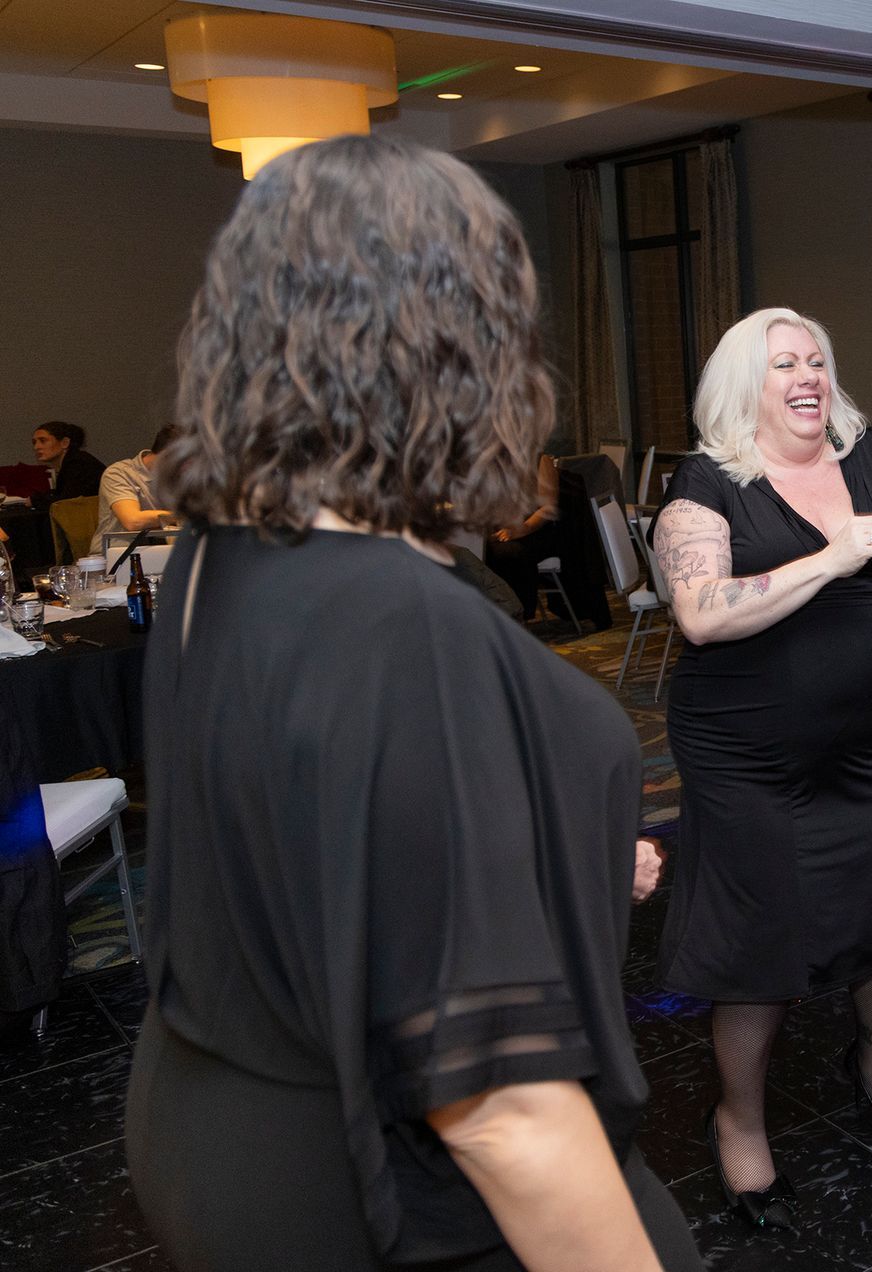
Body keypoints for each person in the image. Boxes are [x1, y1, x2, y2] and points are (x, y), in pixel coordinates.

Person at [123, 135, 701, 1272]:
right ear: (456, 341)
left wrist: (559, 850)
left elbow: (319, 827)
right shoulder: (394, 622)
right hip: (376, 1180)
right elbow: (500, 1113)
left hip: (210, 1115)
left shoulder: (220, 550)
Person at [649, 307, 872, 1230]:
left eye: (817, 359)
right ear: (742, 383)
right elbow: (703, 613)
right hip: (741, 755)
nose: (806, 375)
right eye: (782, 361)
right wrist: (829, 560)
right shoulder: (708, 481)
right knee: (760, 947)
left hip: (853, 746)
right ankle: (739, 1123)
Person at [483, 451, 562, 620]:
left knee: (506, 553)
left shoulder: (540, 458)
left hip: (536, 529)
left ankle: (517, 613)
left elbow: (548, 508)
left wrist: (521, 529)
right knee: (474, 551)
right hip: (503, 528)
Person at [88, 425, 180, 556]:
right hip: (116, 556)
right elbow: (133, 521)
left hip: (160, 554)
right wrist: (182, 515)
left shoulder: (179, 477)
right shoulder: (119, 473)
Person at [28, 421, 105, 513]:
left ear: (64, 443)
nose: (36, 447)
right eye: (34, 442)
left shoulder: (79, 464)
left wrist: (35, 500)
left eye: (43, 441)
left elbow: (67, 503)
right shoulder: (73, 462)